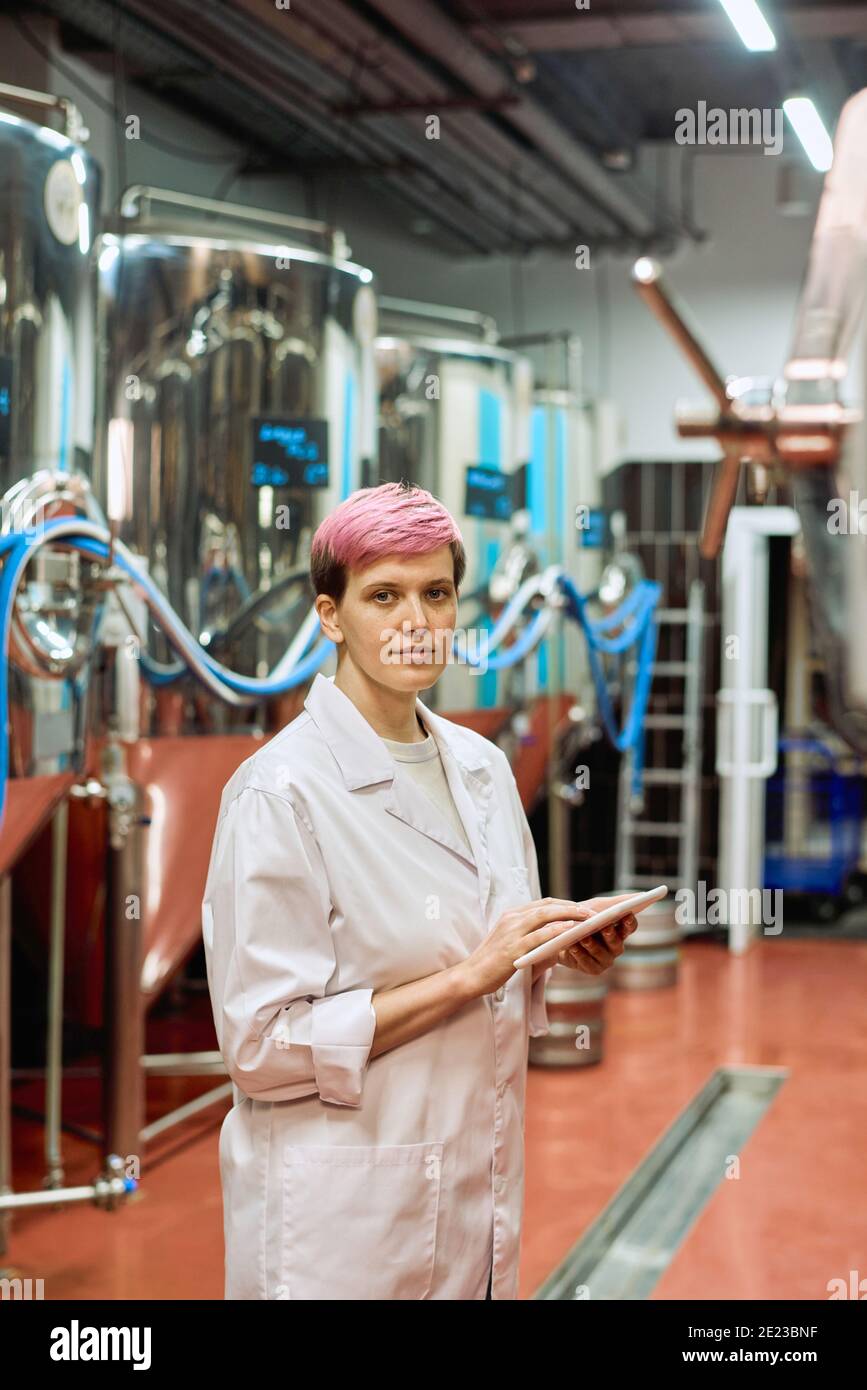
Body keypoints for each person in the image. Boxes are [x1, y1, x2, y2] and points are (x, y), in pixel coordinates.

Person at [201, 480, 637, 1300]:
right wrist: (469, 976)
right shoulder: (280, 793)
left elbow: (492, 952)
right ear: (330, 616)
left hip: (477, 1191)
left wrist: (553, 953)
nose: (415, 622)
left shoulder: (481, 769)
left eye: (435, 594)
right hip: (341, 1226)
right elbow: (259, 1046)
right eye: (383, 596)